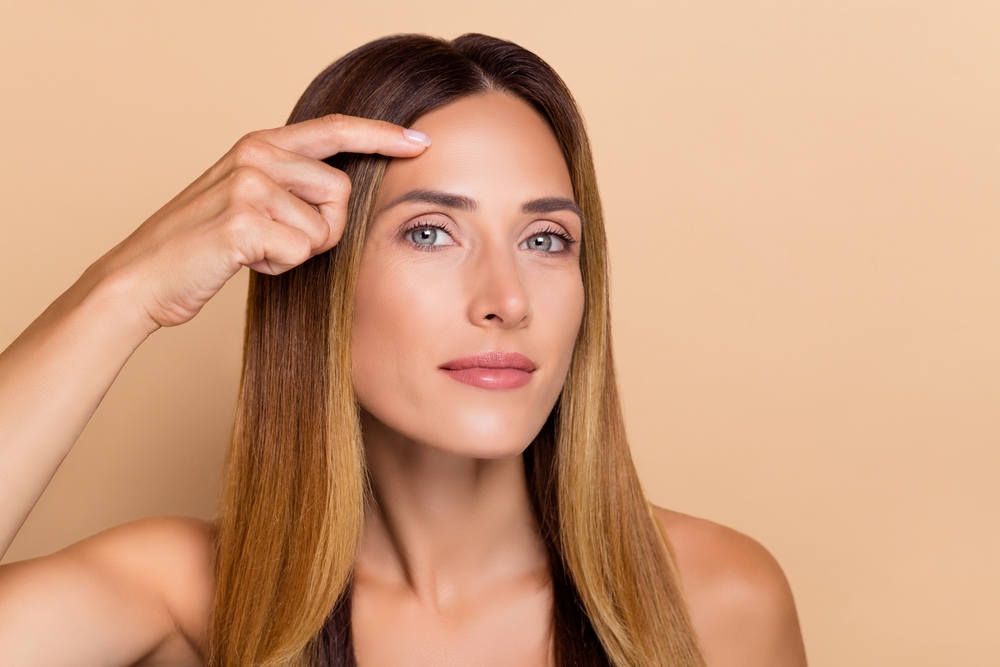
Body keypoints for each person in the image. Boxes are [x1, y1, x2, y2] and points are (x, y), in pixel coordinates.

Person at [0, 33, 807, 667]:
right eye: (430, 232)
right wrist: (125, 291)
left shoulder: (718, 598)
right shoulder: (190, 596)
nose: (508, 299)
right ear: (324, 272)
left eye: (545, 238)